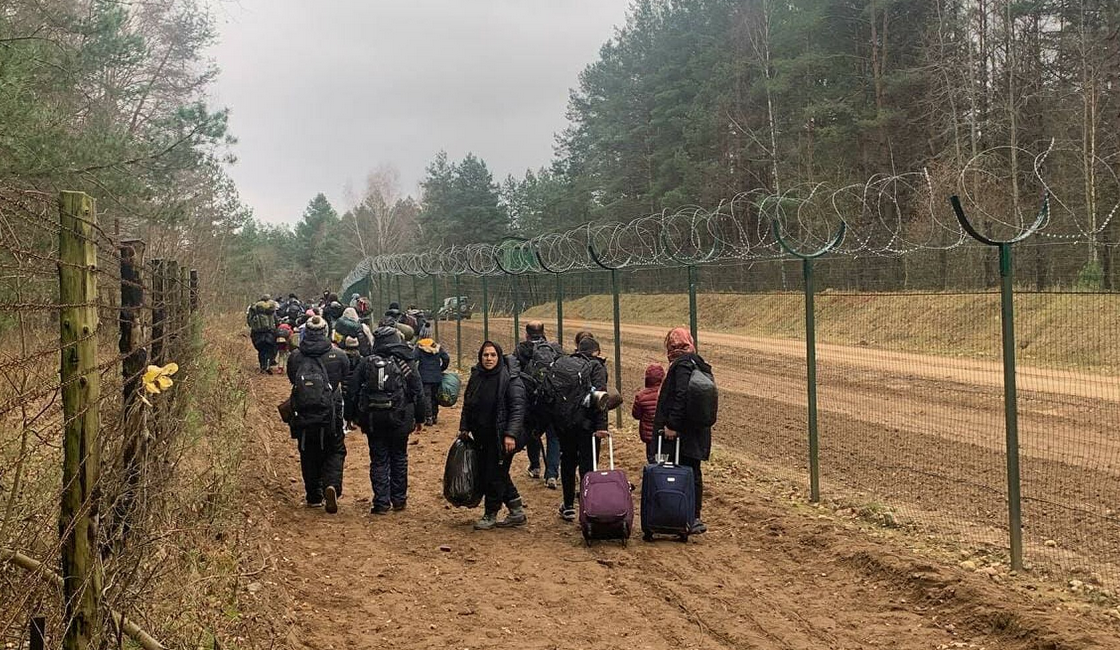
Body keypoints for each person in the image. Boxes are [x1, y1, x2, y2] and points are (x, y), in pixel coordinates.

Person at [346, 326, 429, 514]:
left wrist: (350, 416)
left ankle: (381, 502)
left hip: (373, 420)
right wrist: (420, 418)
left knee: (378, 459)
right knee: (399, 457)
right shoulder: (405, 363)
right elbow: (418, 392)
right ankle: (399, 500)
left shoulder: (366, 362)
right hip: (401, 419)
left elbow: (352, 390)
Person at [458, 341, 528, 530]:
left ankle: (490, 513)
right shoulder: (477, 376)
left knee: (493, 475)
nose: (489, 359)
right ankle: (516, 509)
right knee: (497, 473)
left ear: (499, 357)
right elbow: (468, 403)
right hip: (481, 436)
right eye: (485, 355)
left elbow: (517, 409)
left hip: (502, 438)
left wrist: (510, 435)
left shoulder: (509, 379)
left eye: (493, 355)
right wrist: (464, 426)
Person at [652, 328, 714, 534]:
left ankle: (678, 513)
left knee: (674, 471)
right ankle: (692, 515)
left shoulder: (682, 366)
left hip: (681, 433)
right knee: (693, 472)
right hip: (698, 432)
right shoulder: (699, 363)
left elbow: (680, 395)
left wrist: (672, 425)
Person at [285, 315, 350, 513]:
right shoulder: (338, 355)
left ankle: (313, 495)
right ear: (325, 331)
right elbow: (345, 377)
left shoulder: (296, 356)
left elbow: (291, 378)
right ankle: (332, 485)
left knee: (307, 451)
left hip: (303, 412)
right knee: (335, 449)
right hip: (332, 411)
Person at [554, 335, 610, 522]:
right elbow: (601, 399)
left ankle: (568, 505)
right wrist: (601, 426)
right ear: (597, 352)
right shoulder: (596, 366)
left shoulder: (567, 365)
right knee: (588, 465)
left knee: (568, 463)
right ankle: (587, 505)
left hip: (566, 425)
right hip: (588, 427)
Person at [515, 321, 563, 487]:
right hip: (551, 400)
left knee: (532, 433)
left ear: (526, 334)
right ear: (543, 333)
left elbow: (515, 371)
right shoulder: (554, 349)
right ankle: (552, 474)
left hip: (531, 400)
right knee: (553, 437)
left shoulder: (522, 349)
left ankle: (535, 467)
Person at [632, 363, 665, 464]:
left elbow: (636, 415)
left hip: (650, 437)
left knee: (652, 460)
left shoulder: (641, 396)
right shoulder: (668, 393)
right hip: (666, 435)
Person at [417, 335, 450, 425]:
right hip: (436, 377)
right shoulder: (437, 348)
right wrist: (441, 368)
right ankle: (435, 416)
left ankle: (428, 417)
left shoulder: (420, 348)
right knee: (435, 397)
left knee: (426, 397)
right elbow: (446, 358)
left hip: (424, 377)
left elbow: (413, 358)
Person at [246, 295, 279, 373]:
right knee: (269, 349)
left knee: (261, 350)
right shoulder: (271, 309)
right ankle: (268, 365)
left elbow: (249, 322)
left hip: (257, 333)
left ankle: (262, 366)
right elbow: (276, 321)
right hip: (270, 332)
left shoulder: (254, 309)